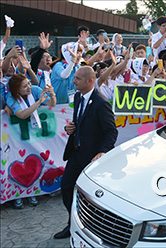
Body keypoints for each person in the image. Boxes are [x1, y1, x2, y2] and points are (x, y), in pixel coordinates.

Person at [53, 66, 118, 239]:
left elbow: (111, 131)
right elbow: (79, 121)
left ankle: (96, 228)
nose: (74, 81)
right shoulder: (78, 96)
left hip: (92, 158)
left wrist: (103, 152)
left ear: (90, 81)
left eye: (77, 79)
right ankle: (72, 223)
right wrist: (71, 128)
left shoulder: (101, 103)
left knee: (92, 196)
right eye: (74, 78)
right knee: (66, 187)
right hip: (76, 152)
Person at [5, 74, 56, 208]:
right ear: (16, 90)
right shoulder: (10, 97)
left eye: (28, 83)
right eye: (24, 86)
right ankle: (18, 195)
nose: (28, 87)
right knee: (16, 161)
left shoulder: (35, 89)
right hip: (17, 134)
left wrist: (52, 95)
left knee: (36, 161)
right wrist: (38, 102)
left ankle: (33, 192)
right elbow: (21, 114)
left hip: (35, 133)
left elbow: (51, 104)